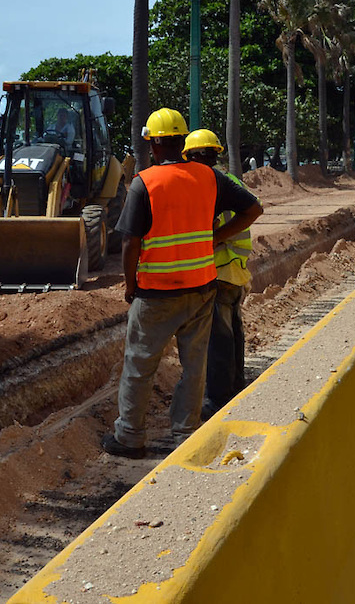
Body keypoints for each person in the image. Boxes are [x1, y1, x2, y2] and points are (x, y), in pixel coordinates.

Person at [101, 109, 264, 459]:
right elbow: (253, 210)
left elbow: (130, 243)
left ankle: (130, 437)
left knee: (140, 365)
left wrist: (131, 285)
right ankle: (185, 434)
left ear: (154, 144)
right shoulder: (208, 178)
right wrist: (215, 237)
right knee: (194, 367)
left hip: (157, 292)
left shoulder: (144, 183)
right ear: (181, 140)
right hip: (202, 289)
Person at [182, 129, 260, 421]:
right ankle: (235, 386)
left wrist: (213, 239)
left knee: (218, 339)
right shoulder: (233, 181)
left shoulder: (208, 185)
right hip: (235, 270)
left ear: (190, 156)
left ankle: (217, 399)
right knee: (232, 333)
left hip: (218, 270)